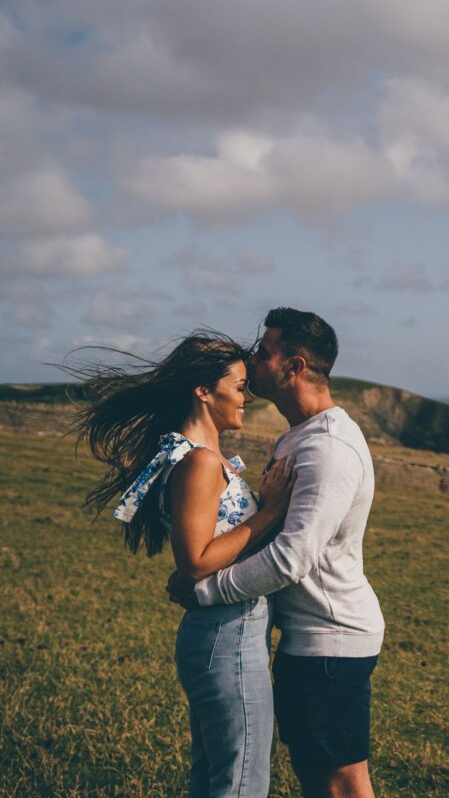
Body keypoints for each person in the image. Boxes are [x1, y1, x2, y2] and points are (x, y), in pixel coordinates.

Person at [168, 308, 385, 798]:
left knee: (341, 783)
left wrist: (205, 589)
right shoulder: (299, 436)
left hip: (330, 640)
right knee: (317, 776)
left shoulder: (327, 449)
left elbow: (291, 558)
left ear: (296, 367)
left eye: (264, 353)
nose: (253, 360)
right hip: (307, 639)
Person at [70, 333, 296, 798]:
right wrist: (271, 512)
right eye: (238, 386)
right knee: (241, 782)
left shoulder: (201, 458)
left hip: (224, 633)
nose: (246, 398)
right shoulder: (198, 463)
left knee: (217, 777)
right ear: (203, 391)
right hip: (226, 634)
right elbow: (194, 563)